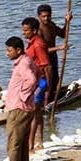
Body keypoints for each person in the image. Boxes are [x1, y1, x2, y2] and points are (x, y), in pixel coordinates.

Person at [3, 36, 38, 161]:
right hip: (25, 107)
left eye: (9, 50)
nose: (7, 53)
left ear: (18, 50)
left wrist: (23, 96)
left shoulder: (23, 64)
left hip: (19, 108)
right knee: (22, 143)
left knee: (14, 143)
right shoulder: (27, 60)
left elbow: (32, 80)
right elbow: (38, 72)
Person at [21, 17, 52, 152]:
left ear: (34, 30)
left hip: (40, 81)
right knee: (38, 113)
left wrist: (48, 87)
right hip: (37, 80)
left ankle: (30, 145)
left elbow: (47, 66)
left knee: (33, 113)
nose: (24, 33)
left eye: (26, 30)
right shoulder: (32, 43)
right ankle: (40, 141)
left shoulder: (38, 45)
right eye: (23, 30)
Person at [37, 4, 73, 103]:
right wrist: (60, 47)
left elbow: (63, 34)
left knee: (55, 81)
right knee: (47, 84)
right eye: (43, 16)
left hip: (53, 57)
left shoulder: (51, 25)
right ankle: (44, 104)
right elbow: (43, 50)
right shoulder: (38, 31)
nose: (46, 18)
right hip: (43, 60)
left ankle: (53, 102)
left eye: (48, 16)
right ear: (38, 17)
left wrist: (67, 22)